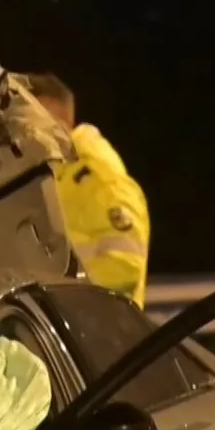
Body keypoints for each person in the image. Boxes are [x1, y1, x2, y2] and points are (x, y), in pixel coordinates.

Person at [23, 73, 151, 310]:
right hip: (71, 330)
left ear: (58, 125)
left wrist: (50, 295)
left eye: (27, 122)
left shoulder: (98, 177)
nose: (19, 133)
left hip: (102, 334)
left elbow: (125, 267)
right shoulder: (54, 177)